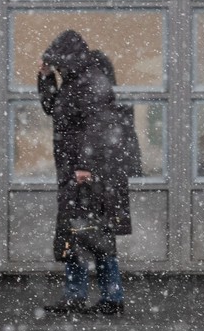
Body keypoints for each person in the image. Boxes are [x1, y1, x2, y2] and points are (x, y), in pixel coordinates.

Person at [38, 30, 139, 316]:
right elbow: (52, 108)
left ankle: (109, 296)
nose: (56, 67)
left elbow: (99, 128)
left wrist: (86, 166)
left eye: (57, 63)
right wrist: (46, 78)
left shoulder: (92, 83)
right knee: (77, 233)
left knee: (94, 234)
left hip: (92, 175)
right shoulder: (73, 83)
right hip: (75, 172)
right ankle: (79, 295)